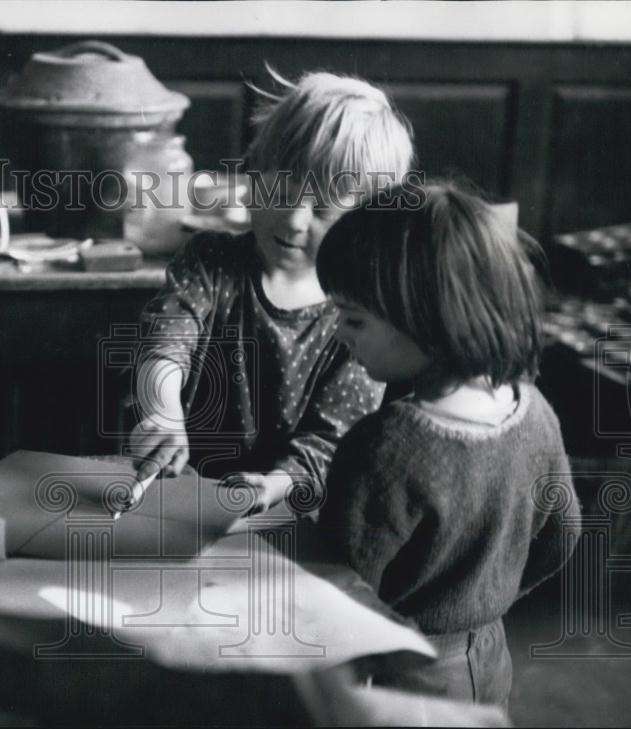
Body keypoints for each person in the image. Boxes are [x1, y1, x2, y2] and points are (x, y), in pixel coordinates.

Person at [311, 182, 581, 707]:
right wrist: (484, 598)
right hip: (490, 653)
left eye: (355, 318)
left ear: (425, 322)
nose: (339, 333)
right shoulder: (533, 407)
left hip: (405, 666)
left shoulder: (384, 445)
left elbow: (338, 590)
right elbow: (562, 534)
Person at [128, 70, 414, 510]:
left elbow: (333, 440)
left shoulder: (362, 314)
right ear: (254, 174)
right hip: (175, 497)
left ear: (366, 222)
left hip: (288, 515)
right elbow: (166, 343)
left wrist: (274, 485)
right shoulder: (209, 262)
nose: (295, 220)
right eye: (282, 192)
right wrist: (161, 410)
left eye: (322, 208)